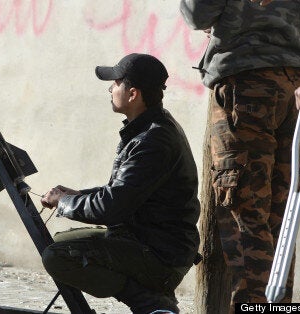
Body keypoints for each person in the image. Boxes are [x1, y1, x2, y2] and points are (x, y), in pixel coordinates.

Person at [40, 53, 200, 314]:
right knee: (62, 242)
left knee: (59, 256)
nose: (110, 88)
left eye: (115, 83)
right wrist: (77, 195)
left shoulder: (153, 140)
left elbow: (113, 207)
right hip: (153, 243)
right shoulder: (150, 128)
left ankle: (151, 305)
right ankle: (156, 300)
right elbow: (125, 192)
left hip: (160, 253)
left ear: (133, 93)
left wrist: (66, 202)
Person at [180, 0, 300, 306]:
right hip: (294, 82)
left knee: (245, 212)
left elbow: (197, 15)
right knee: (280, 217)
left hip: (246, 82)